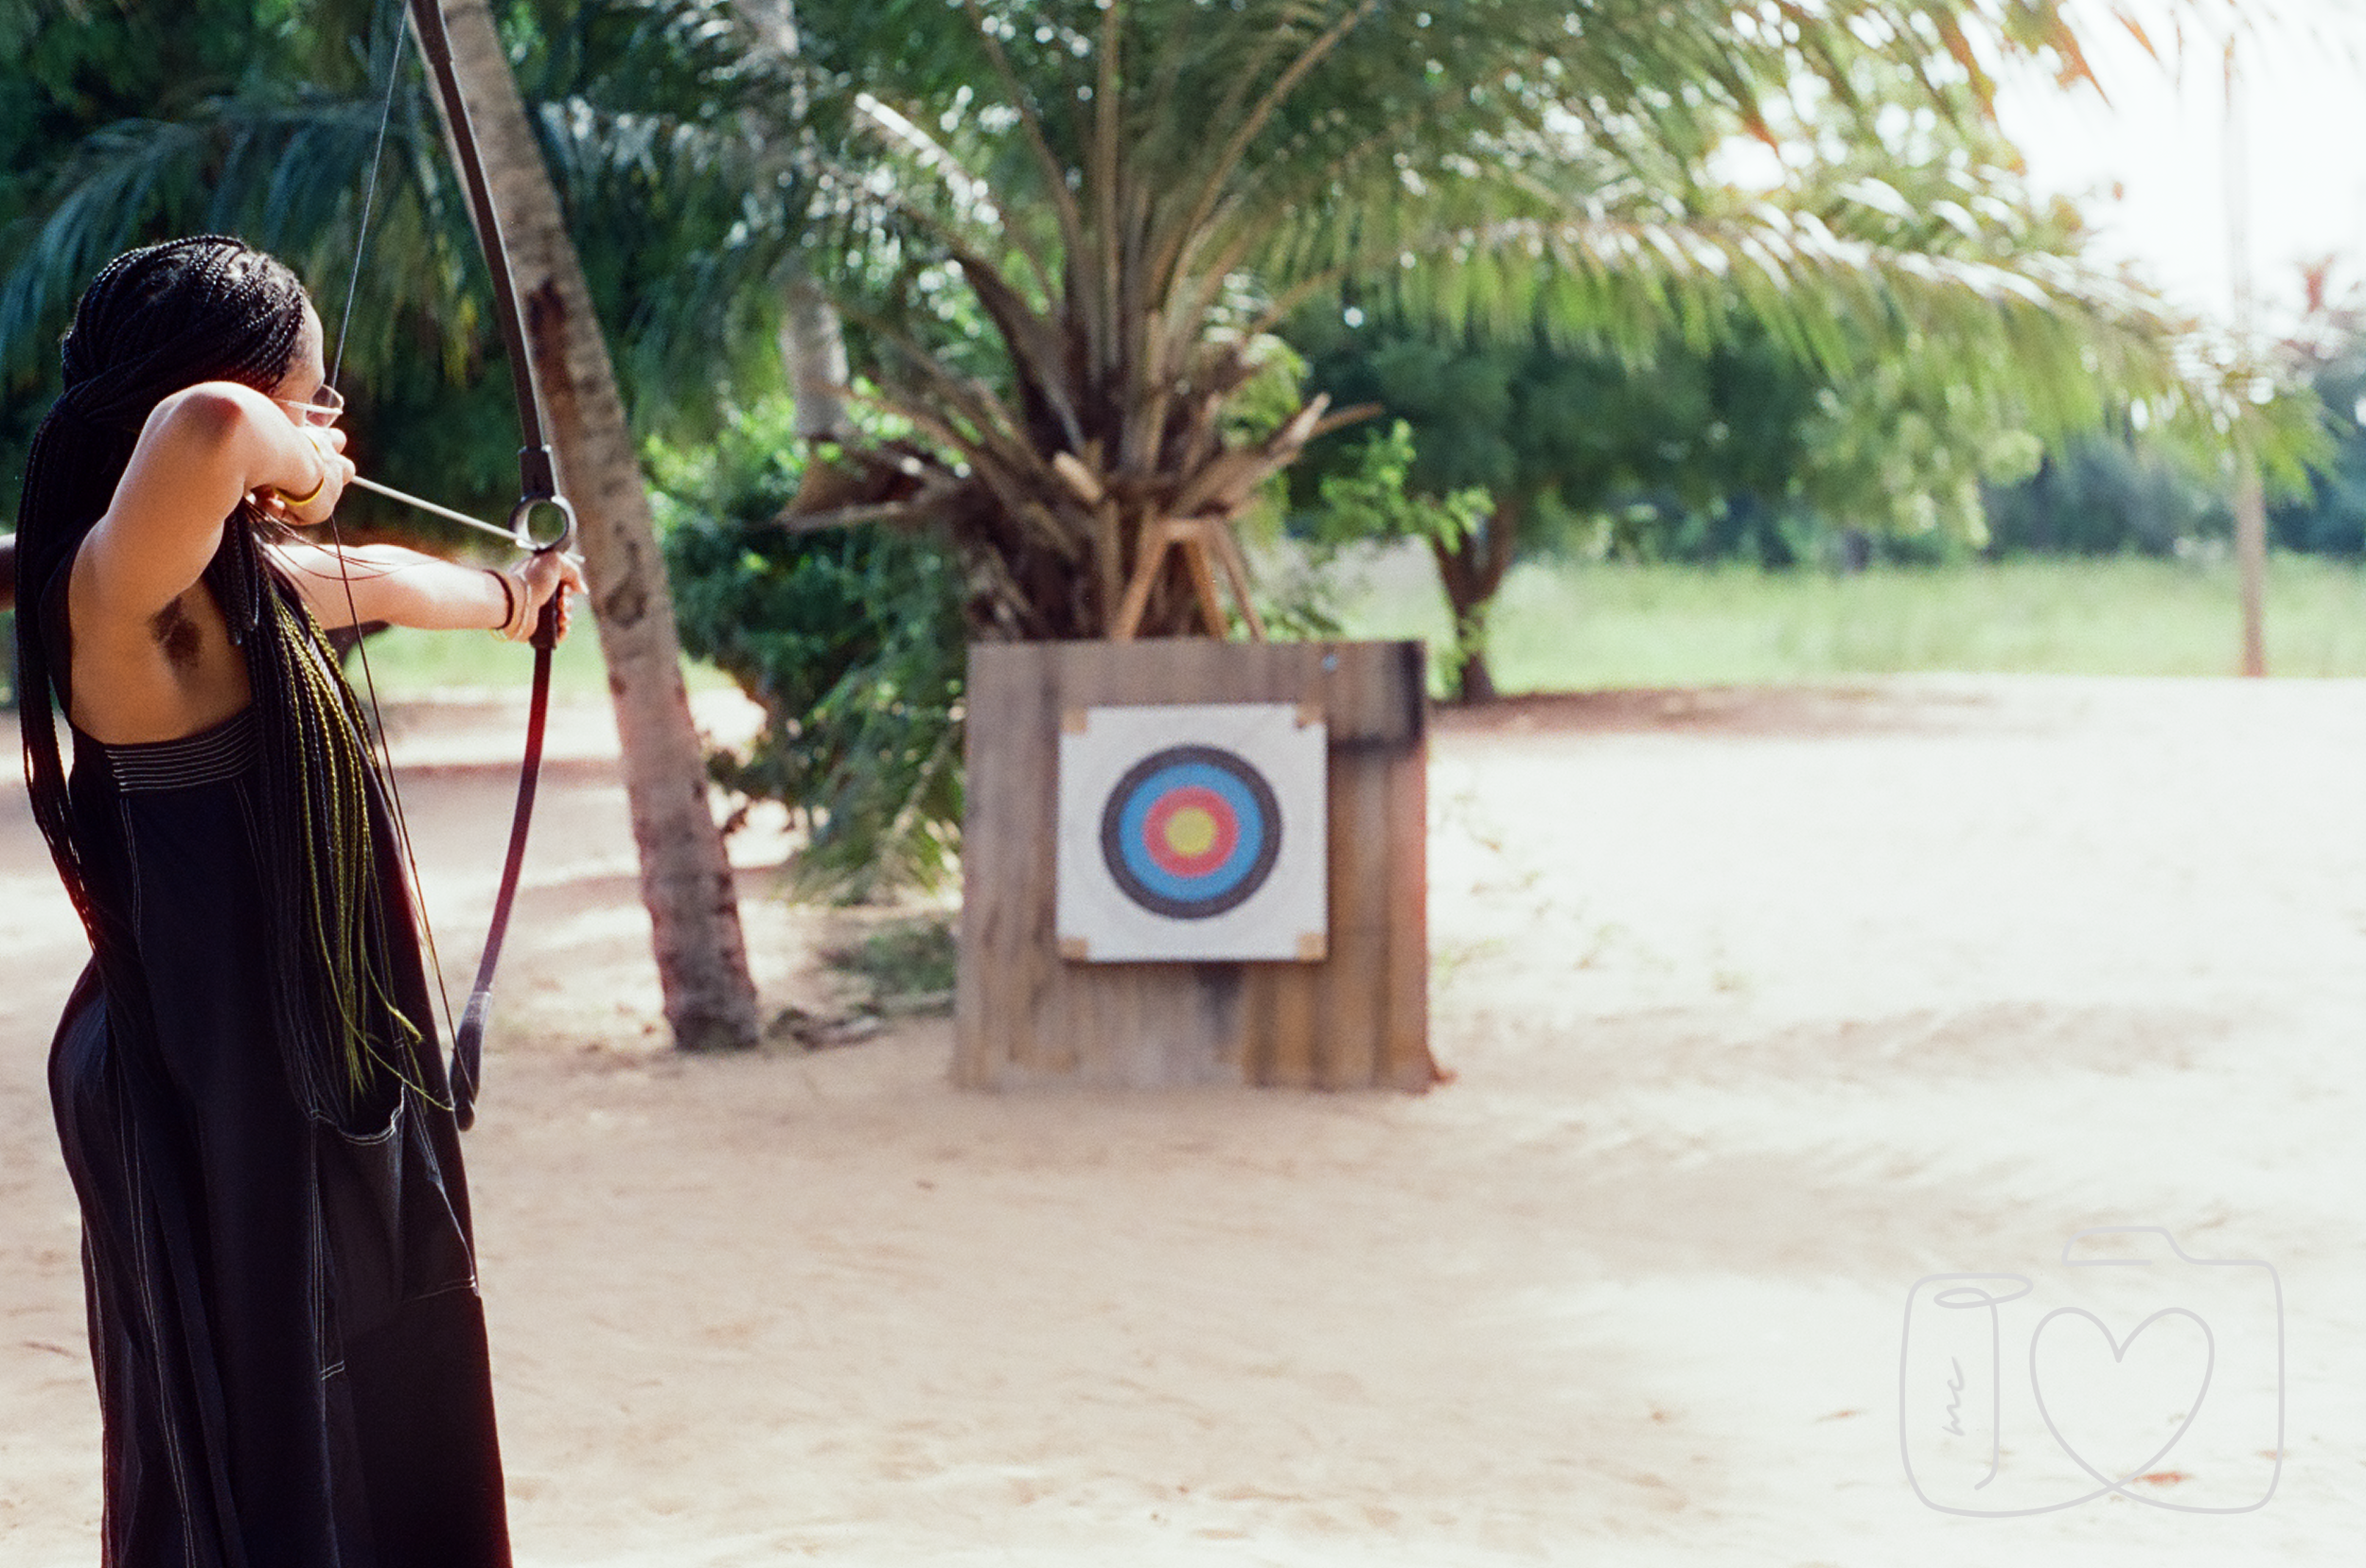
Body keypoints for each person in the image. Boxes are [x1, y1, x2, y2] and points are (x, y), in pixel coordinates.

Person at [12, 235, 583, 1567]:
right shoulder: (117, 604)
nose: (326, 424)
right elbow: (211, 428)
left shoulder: (238, 589)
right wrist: (303, 459)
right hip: (208, 1067)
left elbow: (380, 578)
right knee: (260, 1422)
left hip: (308, 1049)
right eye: (309, 395)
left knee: (385, 1376)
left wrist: (515, 601)